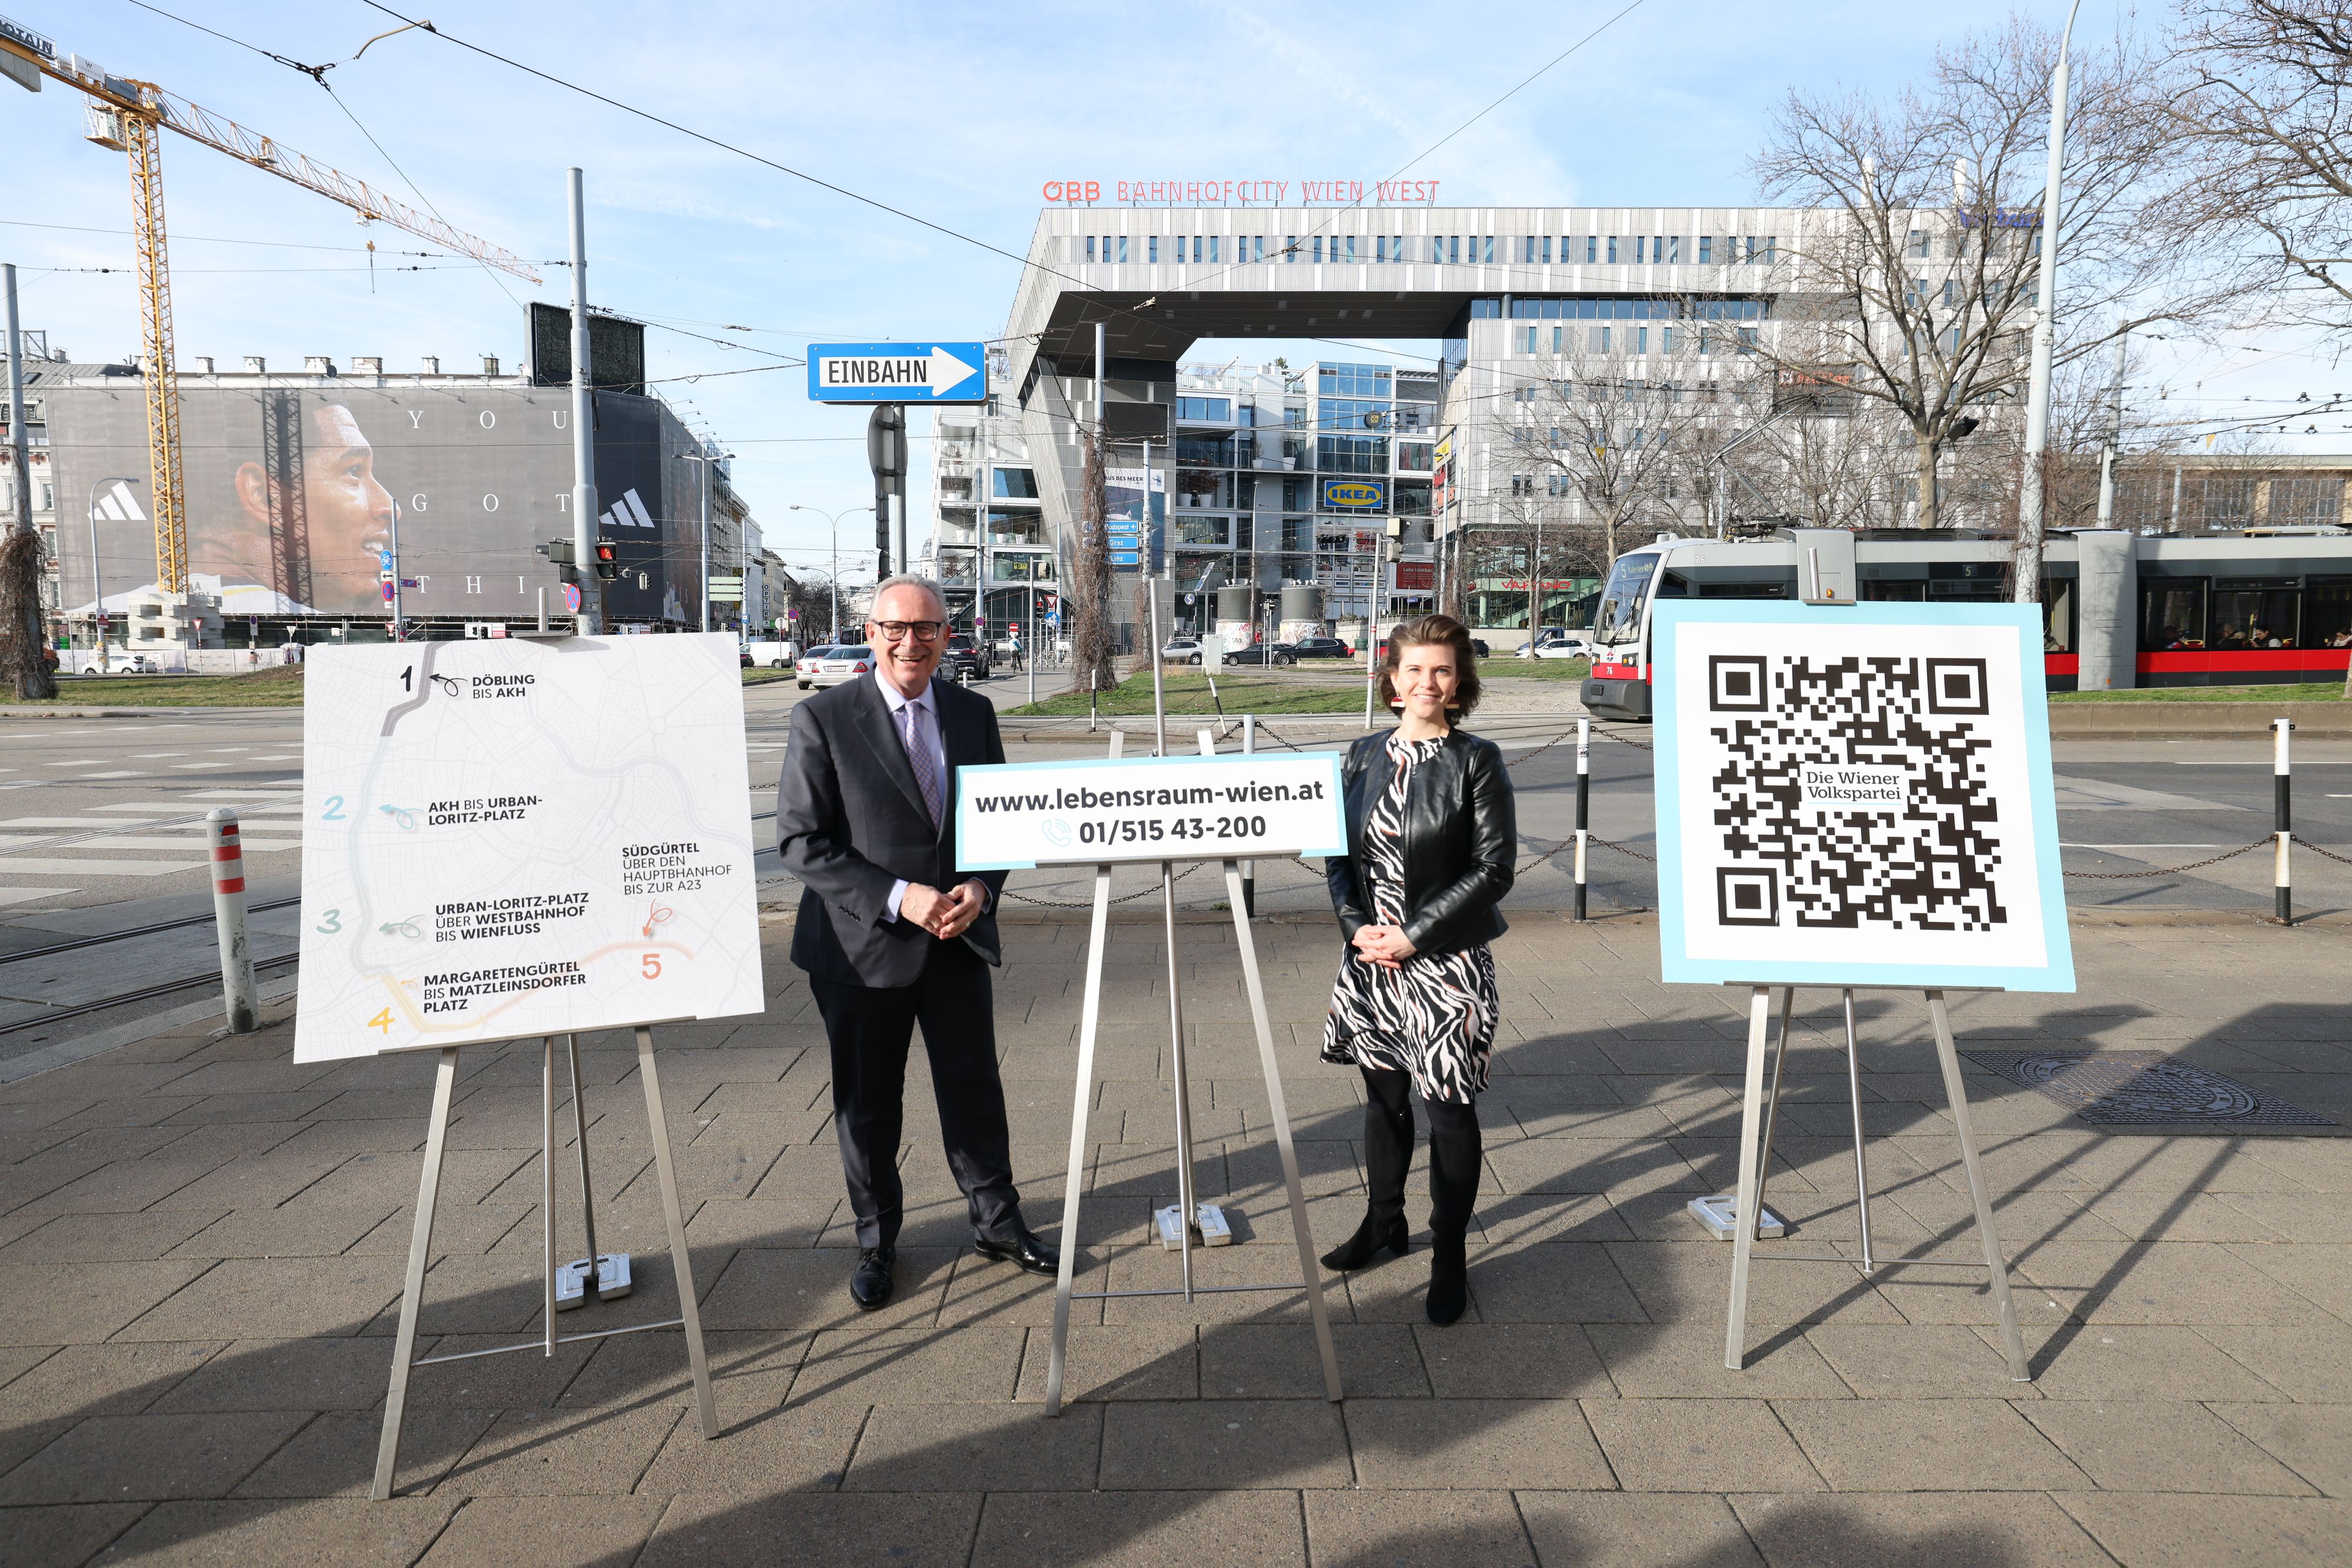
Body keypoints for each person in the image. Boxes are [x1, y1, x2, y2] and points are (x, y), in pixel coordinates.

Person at [774, 574, 1059, 1310]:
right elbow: (801, 844)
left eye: (927, 629)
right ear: (870, 634)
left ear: (945, 638)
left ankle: (996, 1222)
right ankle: (876, 1243)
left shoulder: (971, 712)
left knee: (973, 1090)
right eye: (895, 628)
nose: (911, 642)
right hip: (860, 951)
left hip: (958, 943)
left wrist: (981, 889)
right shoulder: (823, 719)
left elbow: (995, 823)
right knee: (869, 1105)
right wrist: (904, 898)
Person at [1317, 613, 1516, 1326]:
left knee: (1449, 1112)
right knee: (1383, 1102)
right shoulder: (1360, 756)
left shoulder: (1476, 760)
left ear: (1458, 681)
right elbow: (1337, 857)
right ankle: (1383, 1223)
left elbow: (1495, 871)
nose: (1426, 682)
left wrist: (1415, 934)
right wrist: (1356, 929)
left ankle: (1450, 1253)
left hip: (1445, 963)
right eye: (1412, 670)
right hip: (1371, 962)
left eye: (1440, 670)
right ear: (1391, 681)